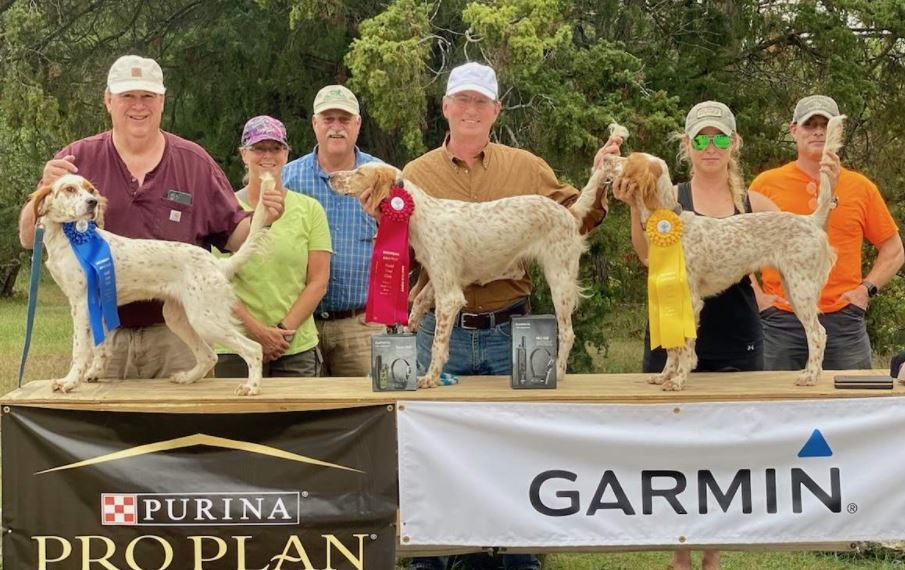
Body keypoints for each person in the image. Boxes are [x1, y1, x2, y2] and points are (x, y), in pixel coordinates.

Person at [400, 61, 621, 570]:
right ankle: (435, 558)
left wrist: (600, 175)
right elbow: (409, 257)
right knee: (435, 450)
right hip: (443, 336)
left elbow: (577, 218)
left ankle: (519, 556)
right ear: (446, 108)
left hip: (515, 331)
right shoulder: (414, 176)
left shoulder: (527, 166)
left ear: (496, 110)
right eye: (463, 101)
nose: (471, 110)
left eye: (482, 102)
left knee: (522, 449)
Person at [17, 55, 284, 380]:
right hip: (107, 338)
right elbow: (29, 238)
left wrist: (264, 218)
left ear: (161, 102)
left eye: (147, 97)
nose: (138, 106)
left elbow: (234, 234)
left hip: (175, 342)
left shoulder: (194, 161)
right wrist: (44, 188)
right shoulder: (75, 161)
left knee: (188, 430)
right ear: (108, 100)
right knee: (104, 429)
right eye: (128, 96)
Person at [618, 101, 777, 570]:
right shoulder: (668, 196)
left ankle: (712, 554)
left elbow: (788, 246)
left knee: (726, 455)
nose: (711, 146)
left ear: (734, 144)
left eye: (720, 138)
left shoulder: (755, 202)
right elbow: (648, 258)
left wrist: (776, 298)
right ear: (687, 145)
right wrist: (635, 207)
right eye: (701, 138)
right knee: (674, 452)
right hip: (672, 337)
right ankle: (680, 554)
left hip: (737, 341)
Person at [749, 95, 903, 371]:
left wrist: (864, 291)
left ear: (838, 132)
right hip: (782, 321)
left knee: (854, 407)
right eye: (810, 125)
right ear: (794, 130)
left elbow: (894, 250)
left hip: (844, 321)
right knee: (776, 408)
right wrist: (759, 297)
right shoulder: (765, 185)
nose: (818, 131)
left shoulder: (861, 187)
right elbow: (741, 248)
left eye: (826, 124)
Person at [214, 116, 331, 378]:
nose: (267, 155)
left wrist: (281, 332)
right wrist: (257, 332)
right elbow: (214, 281)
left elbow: (318, 281)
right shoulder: (222, 209)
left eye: (275, 148)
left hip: (294, 347)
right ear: (244, 154)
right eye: (258, 148)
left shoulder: (310, 210)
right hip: (235, 345)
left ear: (286, 154)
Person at [282, 85, 383, 377]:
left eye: (344, 119)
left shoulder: (382, 176)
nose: (336, 128)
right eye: (328, 119)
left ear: (358, 124)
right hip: (302, 327)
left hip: (362, 326)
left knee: (369, 412)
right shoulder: (289, 178)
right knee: (307, 415)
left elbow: (406, 246)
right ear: (315, 124)